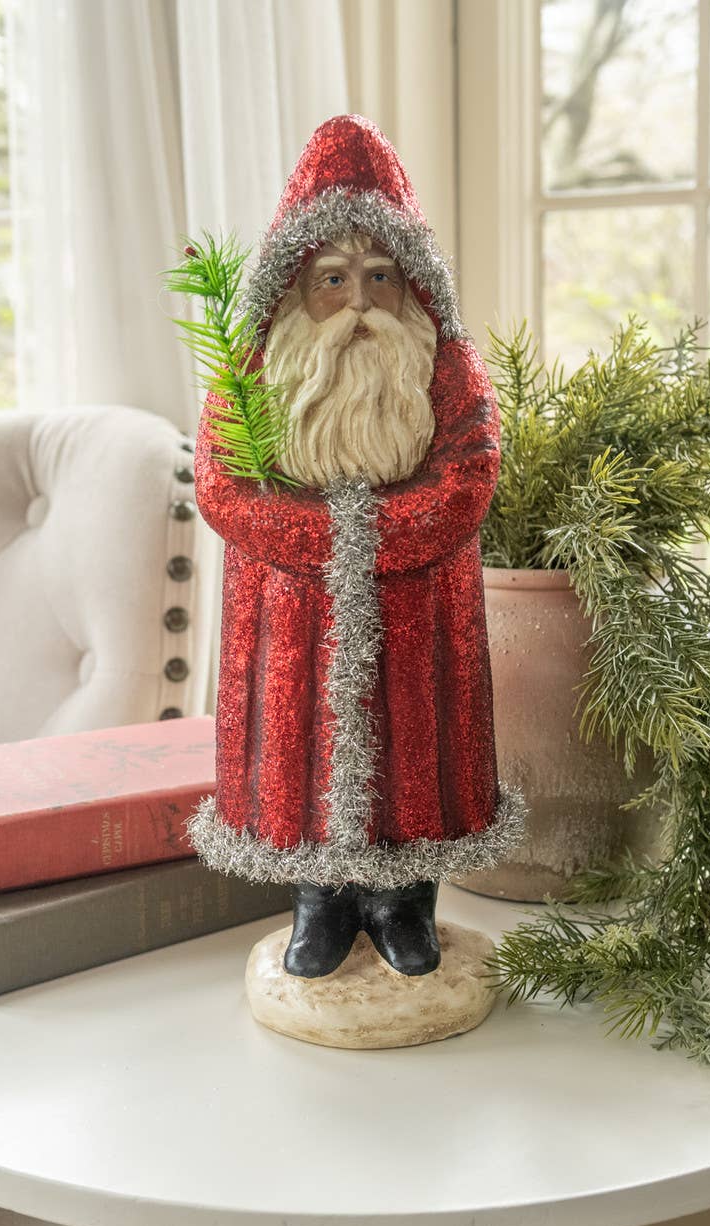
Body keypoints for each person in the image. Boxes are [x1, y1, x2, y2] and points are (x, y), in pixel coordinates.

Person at [189, 115, 524, 979]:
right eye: (333, 280)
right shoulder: (251, 374)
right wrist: (329, 539)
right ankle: (320, 904)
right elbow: (223, 487)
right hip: (289, 620)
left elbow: (468, 478)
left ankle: (407, 904)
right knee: (297, 760)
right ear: (293, 290)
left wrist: (366, 535)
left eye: (380, 277)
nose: (361, 303)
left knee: (416, 759)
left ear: (413, 285)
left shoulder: (448, 367)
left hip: (419, 611)